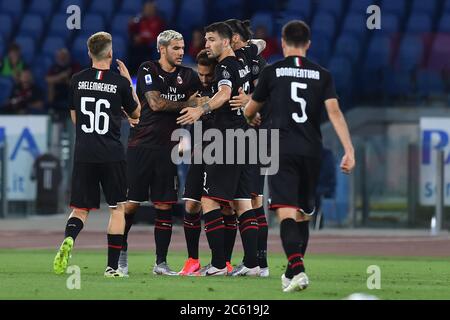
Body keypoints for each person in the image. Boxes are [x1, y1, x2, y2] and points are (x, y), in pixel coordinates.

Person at [244, 20, 355, 291]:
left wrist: (252, 116)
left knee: (286, 213)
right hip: (311, 150)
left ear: (283, 43)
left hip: (283, 148)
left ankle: (299, 271)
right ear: (308, 44)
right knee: (304, 214)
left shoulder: (272, 72)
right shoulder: (323, 74)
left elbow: (250, 110)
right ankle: (292, 270)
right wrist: (349, 150)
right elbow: (335, 113)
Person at [53, 32, 141, 278]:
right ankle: (112, 267)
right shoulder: (120, 83)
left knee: (80, 209)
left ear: (89, 53)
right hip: (111, 153)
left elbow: (74, 118)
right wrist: (127, 82)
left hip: (84, 152)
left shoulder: (77, 80)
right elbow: (136, 116)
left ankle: (69, 239)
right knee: (117, 209)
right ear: (110, 53)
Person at [119, 30, 207, 276]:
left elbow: (202, 101)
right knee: (130, 206)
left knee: (165, 206)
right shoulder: (148, 68)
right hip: (142, 146)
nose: (181, 52)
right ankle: (120, 257)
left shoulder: (188, 75)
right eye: (176, 48)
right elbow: (156, 104)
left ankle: (161, 263)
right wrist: (188, 104)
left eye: (182, 48)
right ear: (162, 49)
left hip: (168, 150)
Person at [177, 22, 258, 277]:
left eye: (211, 39)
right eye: (206, 39)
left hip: (225, 139)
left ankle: (219, 264)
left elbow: (223, 93)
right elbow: (258, 45)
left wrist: (201, 109)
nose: (206, 44)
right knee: (242, 203)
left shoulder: (224, 66)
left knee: (209, 200)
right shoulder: (244, 58)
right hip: (244, 136)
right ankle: (254, 264)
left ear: (227, 41)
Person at [225, 18, 270, 277]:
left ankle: (256, 264)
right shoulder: (252, 55)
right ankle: (256, 263)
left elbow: (268, 94)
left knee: (249, 201)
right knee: (250, 201)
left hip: (253, 137)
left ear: (233, 38)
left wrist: (250, 101)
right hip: (254, 137)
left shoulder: (245, 61)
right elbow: (260, 43)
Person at [179, 49, 217, 275]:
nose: (204, 79)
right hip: (199, 154)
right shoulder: (195, 90)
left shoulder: (223, 90)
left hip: (223, 153)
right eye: (201, 75)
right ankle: (193, 260)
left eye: (208, 75)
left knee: (223, 207)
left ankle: (222, 261)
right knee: (191, 205)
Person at [128, 1, 165, 73]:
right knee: (132, 49)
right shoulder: (140, 20)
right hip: (139, 45)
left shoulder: (159, 21)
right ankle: (132, 76)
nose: (148, 10)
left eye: (150, 8)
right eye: (146, 8)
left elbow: (159, 36)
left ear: (154, 9)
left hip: (151, 46)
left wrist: (143, 39)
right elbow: (132, 31)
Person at [46, 48, 81, 120]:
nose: (62, 58)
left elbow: (77, 81)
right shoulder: (54, 67)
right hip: (57, 95)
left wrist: (62, 80)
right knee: (50, 86)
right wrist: (62, 76)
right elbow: (48, 79)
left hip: (71, 93)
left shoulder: (75, 66)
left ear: (68, 56)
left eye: (64, 56)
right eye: (60, 56)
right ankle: (51, 109)